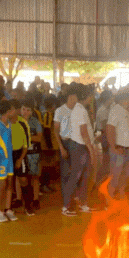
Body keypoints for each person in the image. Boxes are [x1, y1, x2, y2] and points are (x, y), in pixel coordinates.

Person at [62, 84, 96, 215]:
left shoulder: (80, 109)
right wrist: (91, 151)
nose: (92, 98)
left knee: (84, 176)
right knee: (75, 177)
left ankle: (83, 203)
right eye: (91, 96)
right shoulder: (80, 110)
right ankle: (66, 206)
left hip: (81, 147)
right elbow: (84, 133)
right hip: (80, 147)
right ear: (86, 96)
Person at [0, 100, 17, 223]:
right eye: (12, 109)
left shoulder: (8, 123)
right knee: (1, 185)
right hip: (0, 159)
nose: (15, 111)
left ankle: (8, 209)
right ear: (7, 111)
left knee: (10, 184)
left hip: (9, 159)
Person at [54, 86, 77, 216]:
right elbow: (56, 130)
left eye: (76, 98)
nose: (74, 100)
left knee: (75, 174)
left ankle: (72, 200)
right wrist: (61, 147)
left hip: (76, 143)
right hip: (66, 143)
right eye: (72, 97)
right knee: (66, 174)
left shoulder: (78, 110)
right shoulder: (60, 111)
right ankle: (66, 205)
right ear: (68, 97)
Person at [106, 91, 129, 199]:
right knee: (115, 175)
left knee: (126, 174)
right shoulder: (116, 110)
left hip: (127, 148)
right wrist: (114, 147)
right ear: (124, 99)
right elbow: (110, 128)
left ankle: (122, 193)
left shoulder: (125, 110)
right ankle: (111, 197)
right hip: (119, 148)